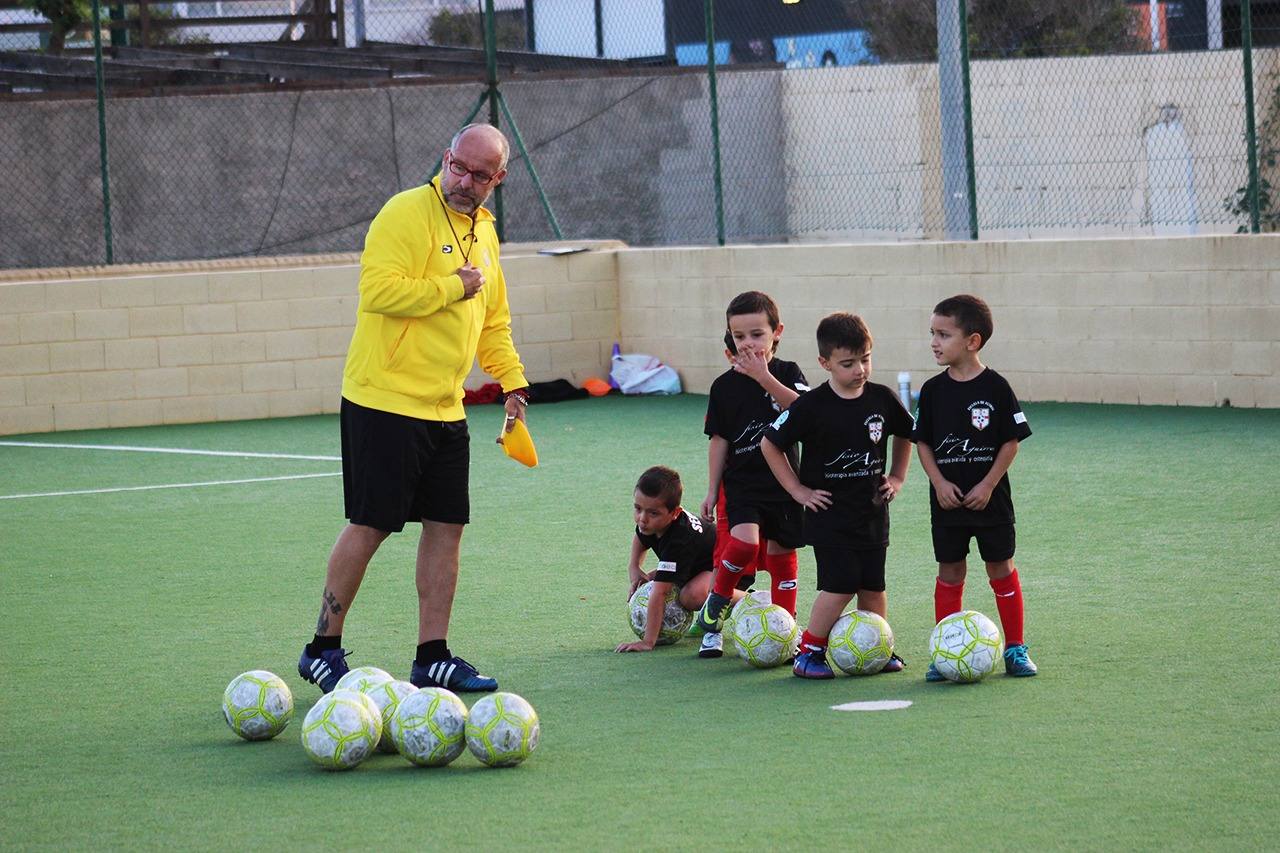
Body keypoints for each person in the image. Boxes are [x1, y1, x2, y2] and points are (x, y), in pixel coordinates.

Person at [297, 123, 529, 694]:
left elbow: (492, 322)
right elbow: (378, 292)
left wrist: (512, 382)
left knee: (447, 528)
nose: (464, 181)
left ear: (498, 180)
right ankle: (321, 647)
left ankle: (433, 656)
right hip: (383, 399)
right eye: (458, 166)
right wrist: (452, 286)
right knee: (373, 524)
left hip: (445, 409)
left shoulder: (487, 234)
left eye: (480, 175)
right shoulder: (405, 213)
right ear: (446, 157)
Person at [760, 313, 913, 679]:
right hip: (829, 515)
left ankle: (877, 647)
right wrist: (797, 489)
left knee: (872, 585)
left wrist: (897, 475)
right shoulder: (811, 406)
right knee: (840, 583)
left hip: (872, 512)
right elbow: (770, 444)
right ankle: (809, 650)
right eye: (848, 363)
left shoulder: (882, 398)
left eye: (865, 359)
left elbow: (906, 432)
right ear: (824, 363)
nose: (860, 369)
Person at [913, 295, 1037, 679]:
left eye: (943, 334)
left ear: (972, 341)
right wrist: (938, 482)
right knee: (950, 570)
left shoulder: (996, 387)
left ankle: (1015, 648)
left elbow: (1011, 441)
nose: (934, 342)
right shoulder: (933, 391)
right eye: (932, 333)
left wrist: (987, 484)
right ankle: (945, 651)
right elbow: (923, 442)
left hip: (991, 501)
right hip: (947, 502)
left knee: (1000, 568)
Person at [695, 291, 808, 634]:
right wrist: (712, 490)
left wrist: (764, 378)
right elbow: (719, 441)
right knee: (744, 543)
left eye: (757, 335)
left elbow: (805, 414)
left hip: (786, 483)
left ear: (778, 332)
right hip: (743, 483)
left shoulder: (788, 372)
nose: (748, 344)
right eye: (739, 337)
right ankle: (719, 594)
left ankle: (784, 628)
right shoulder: (723, 387)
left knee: (782, 557)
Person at [617, 466, 740, 657]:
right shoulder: (651, 525)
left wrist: (648, 641)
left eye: (653, 513)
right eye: (638, 509)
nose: (642, 519)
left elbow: (660, 593)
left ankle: (750, 598)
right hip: (696, 566)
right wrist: (634, 566)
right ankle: (718, 607)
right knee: (656, 577)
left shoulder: (678, 540)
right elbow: (640, 538)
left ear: (675, 513)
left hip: (728, 566)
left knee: (691, 596)